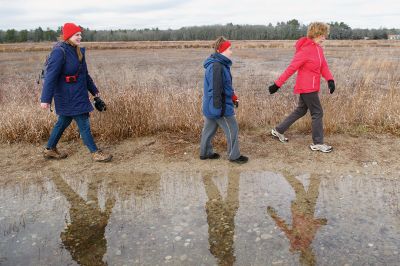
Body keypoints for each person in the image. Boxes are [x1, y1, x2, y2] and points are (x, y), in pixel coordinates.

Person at [40, 22, 112, 162]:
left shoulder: (78, 51)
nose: (80, 37)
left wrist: (94, 90)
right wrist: (45, 99)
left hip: (78, 93)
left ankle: (49, 149)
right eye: (76, 35)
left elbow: (84, 74)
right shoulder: (59, 51)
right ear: (68, 36)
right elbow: (50, 77)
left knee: (63, 121)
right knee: (83, 122)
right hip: (67, 95)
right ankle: (95, 153)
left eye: (80, 34)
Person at [268, 22, 335, 153]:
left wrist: (330, 80)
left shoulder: (319, 50)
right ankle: (318, 143)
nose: (324, 38)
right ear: (316, 34)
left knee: (301, 110)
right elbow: (291, 68)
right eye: (322, 35)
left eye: (325, 35)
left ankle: (278, 130)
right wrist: (277, 84)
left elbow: (323, 67)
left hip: (313, 86)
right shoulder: (305, 50)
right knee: (317, 112)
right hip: (306, 87)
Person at [200, 36, 248, 164]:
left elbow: (225, 86)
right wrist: (218, 109)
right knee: (233, 128)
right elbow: (215, 90)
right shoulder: (217, 66)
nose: (231, 51)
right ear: (222, 50)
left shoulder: (220, 64)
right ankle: (234, 156)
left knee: (209, 129)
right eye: (229, 49)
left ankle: (205, 152)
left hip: (212, 105)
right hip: (219, 106)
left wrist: (233, 97)